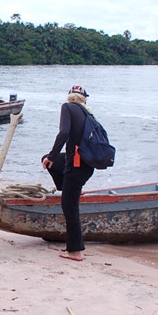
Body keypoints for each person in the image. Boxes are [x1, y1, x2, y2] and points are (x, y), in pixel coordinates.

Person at [41, 85, 95, 262]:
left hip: (76, 165)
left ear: (69, 96)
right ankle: (71, 188)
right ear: (84, 98)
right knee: (51, 162)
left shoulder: (67, 107)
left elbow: (63, 132)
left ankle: (75, 251)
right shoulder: (88, 113)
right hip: (86, 165)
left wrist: (52, 154)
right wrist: (51, 157)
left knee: (69, 207)